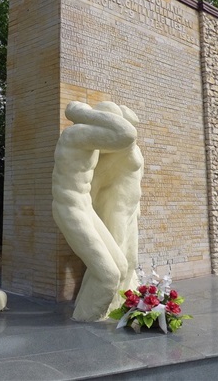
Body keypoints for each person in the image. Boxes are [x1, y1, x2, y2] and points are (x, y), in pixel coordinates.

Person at [52, 101, 144, 321]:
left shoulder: (93, 143)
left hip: (84, 208)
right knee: (109, 275)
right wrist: (80, 112)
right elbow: (126, 133)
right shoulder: (75, 135)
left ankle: (101, 313)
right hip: (70, 208)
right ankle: (86, 321)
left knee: (122, 266)